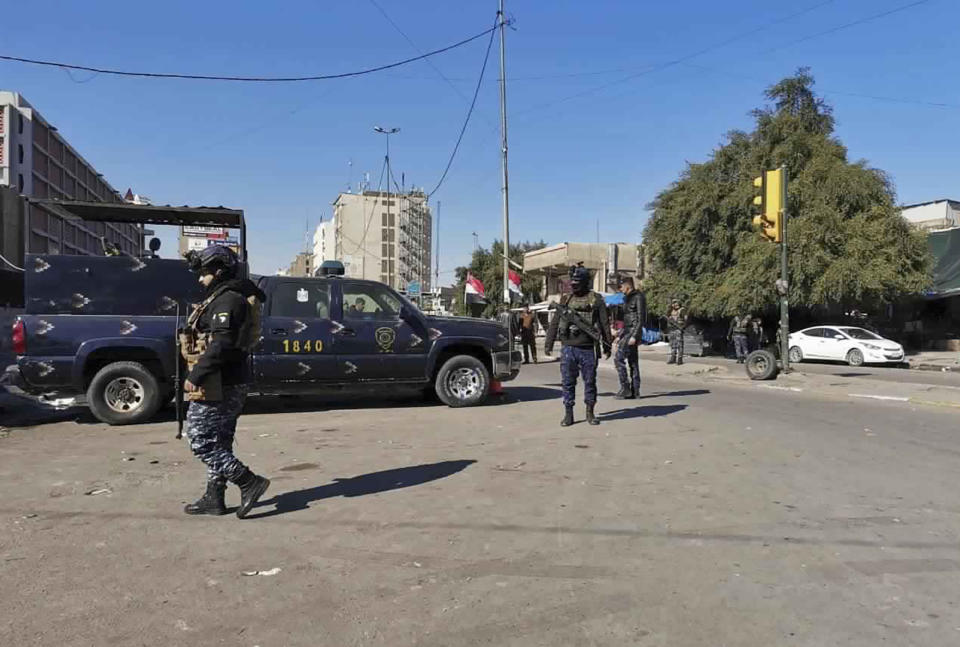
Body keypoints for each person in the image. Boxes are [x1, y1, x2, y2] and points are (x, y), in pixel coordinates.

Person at [182, 245, 270, 519]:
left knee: (200, 440)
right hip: (225, 379)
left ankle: (248, 481)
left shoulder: (229, 300)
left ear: (219, 271)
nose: (200, 278)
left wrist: (195, 376)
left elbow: (222, 344)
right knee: (220, 441)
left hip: (221, 382)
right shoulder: (224, 297)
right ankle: (214, 497)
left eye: (204, 272)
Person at [544, 265, 612, 426]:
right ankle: (569, 414)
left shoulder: (596, 299)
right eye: (572, 282)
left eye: (577, 282)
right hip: (568, 348)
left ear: (585, 282)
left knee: (589, 382)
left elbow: (604, 323)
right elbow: (554, 323)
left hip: (588, 348)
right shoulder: (565, 299)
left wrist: (607, 345)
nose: (574, 285)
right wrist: (549, 343)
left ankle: (590, 412)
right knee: (567, 383)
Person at [614, 276, 645, 399]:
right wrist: (620, 334)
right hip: (627, 332)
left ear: (627, 285)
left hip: (632, 333)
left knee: (618, 359)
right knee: (632, 361)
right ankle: (635, 391)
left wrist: (635, 336)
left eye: (621, 287)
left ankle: (625, 388)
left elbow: (640, 318)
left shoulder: (638, 297)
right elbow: (626, 319)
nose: (620, 289)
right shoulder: (627, 298)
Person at [665, 297, 687, 365]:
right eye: (674, 303)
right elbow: (667, 317)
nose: (675, 304)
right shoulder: (670, 310)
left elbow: (686, 320)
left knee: (679, 344)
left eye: (677, 303)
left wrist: (682, 327)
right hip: (671, 329)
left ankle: (680, 359)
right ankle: (673, 357)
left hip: (678, 329)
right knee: (672, 344)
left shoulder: (682, 310)